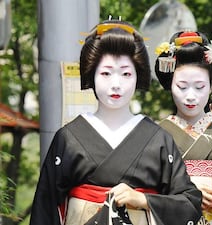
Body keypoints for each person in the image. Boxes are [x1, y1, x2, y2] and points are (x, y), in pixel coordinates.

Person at [29, 19, 202, 225]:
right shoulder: (68, 138)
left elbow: (189, 203)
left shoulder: (158, 139)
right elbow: (44, 209)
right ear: (91, 75)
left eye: (126, 74)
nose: (116, 84)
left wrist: (143, 200)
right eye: (106, 73)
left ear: (138, 77)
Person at [154, 31, 212, 225]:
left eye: (200, 87)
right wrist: (187, 189)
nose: (191, 96)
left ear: (211, 86)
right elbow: (147, 190)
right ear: (170, 85)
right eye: (182, 87)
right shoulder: (156, 136)